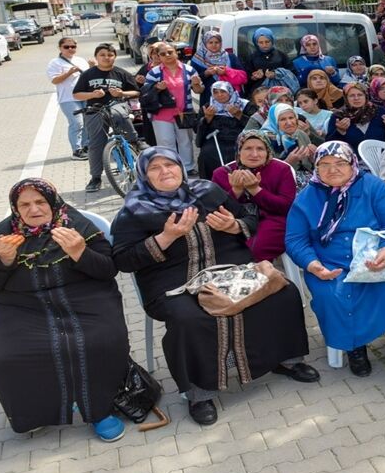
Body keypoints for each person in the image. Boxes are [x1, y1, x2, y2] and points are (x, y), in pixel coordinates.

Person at [112, 148, 317, 426]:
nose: (165, 172)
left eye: (170, 164)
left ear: (180, 167)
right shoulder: (133, 211)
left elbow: (251, 219)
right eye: (155, 168)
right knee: (189, 319)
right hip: (174, 285)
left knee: (282, 292)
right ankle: (199, 393)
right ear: (144, 176)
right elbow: (123, 260)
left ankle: (287, 360)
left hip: (230, 272)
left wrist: (235, 226)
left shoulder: (207, 191)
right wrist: (165, 237)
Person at [0, 179, 130, 440]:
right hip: (23, 307)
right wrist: (3, 261)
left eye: (40, 202)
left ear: (52, 202)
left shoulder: (76, 224)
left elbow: (108, 269)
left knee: (101, 340)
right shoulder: (3, 234)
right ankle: (37, 411)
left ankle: (100, 410)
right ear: (15, 208)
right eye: (24, 204)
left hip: (83, 299)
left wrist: (80, 252)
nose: (33, 209)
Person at [285, 141, 385, 376]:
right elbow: (295, 240)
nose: (332, 169)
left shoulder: (372, 186)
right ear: (316, 167)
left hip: (376, 256)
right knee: (332, 293)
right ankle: (355, 347)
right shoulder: (306, 198)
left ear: (352, 163)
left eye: (339, 163)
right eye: (324, 164)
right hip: (330, 263)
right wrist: (313, 265)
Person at [212, 130, 298, 261]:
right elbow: (217, 210)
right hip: (235, 221)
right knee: (222, 248)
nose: (254, 154)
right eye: (248, 148)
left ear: (268, 151)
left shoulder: (281, 170)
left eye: (260, 149)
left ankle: (258, 278)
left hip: (272, 220)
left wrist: (256, 190)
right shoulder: (222, 173)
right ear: (239, 150)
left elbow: (287, 207)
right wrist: (236, 191)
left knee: (252, 250)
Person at [73, 43, 143, 193]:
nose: (106, 58)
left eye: (110, 55)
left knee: (117, 113)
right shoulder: (87, 74)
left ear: (115, 57)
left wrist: (122, 94)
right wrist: (92, 95)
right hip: (95, 109)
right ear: (96, 57)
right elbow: (76, 94)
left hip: (116, 105)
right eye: (102, 55)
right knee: (96, 144)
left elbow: (136, 92)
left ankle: (134, 141)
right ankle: (95, 178)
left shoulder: (121, 73)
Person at [140, 42, 204, 176]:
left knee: (185, 142)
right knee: (165, 143)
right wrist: (157, 88)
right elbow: (145, 92)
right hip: (161, 114)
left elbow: (198, 90)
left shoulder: (189, 70)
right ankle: (170, 168)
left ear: (176, 52)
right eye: (163, 54)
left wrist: (197, 84)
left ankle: (188, 167)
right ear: (158, 57)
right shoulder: (154, 73)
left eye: (170, 52)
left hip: (184, 111)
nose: (167, 55)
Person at [47, 37, 89, 159]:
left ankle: (86, 146)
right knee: (77, 123)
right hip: (68, 98)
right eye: (66, 47)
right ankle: (76, 150)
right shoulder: (55, 63)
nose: (70, 49)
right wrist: (69, 73)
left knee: (87, 122)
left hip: (85, 95)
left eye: (73, 47)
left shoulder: (80, 60)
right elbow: (54, 80)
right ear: (60, 48)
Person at [197, 82, 248, 178]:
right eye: (215, 92)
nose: (219, 95)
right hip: (216, 139)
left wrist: (239, 115)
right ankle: (211, 182)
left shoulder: (244, 105)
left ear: (230, 91)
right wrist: (207, 118)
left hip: (239, 138)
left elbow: (254, 126)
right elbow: (198, 130)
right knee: (206, 153)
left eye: (223, 91)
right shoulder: (208, 107)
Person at [326, 82, 385, 147]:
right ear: (346, 98)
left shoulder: (380, 111)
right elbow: (329, 144)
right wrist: (339, 132)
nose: (356, 98)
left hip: (382, 155)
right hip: (351, 155)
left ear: (366, 96)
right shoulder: (338, 116)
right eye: (352, 95)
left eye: (360, 95)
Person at [190, 31, 245, 107]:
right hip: (209, 97)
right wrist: (206, 74)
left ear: (221, 43)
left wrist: (226, 71)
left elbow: (243, 75)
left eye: (217, 42)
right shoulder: (197, 60)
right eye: (210, 42)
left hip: (231, 97)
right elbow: (193, 81)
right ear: (205, 44)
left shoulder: (230, 57)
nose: (214, 45)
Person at [244, 27, 291, 95]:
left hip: (280, 91)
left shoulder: (281, 55)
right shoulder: (252, 57)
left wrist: (276, 74)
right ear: (256, 43)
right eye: (261, 42)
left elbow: (291, 72)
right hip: (259, 93)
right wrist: (254, 77)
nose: (264, 45)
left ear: (272, 41)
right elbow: (246, 77)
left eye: (267, 42)